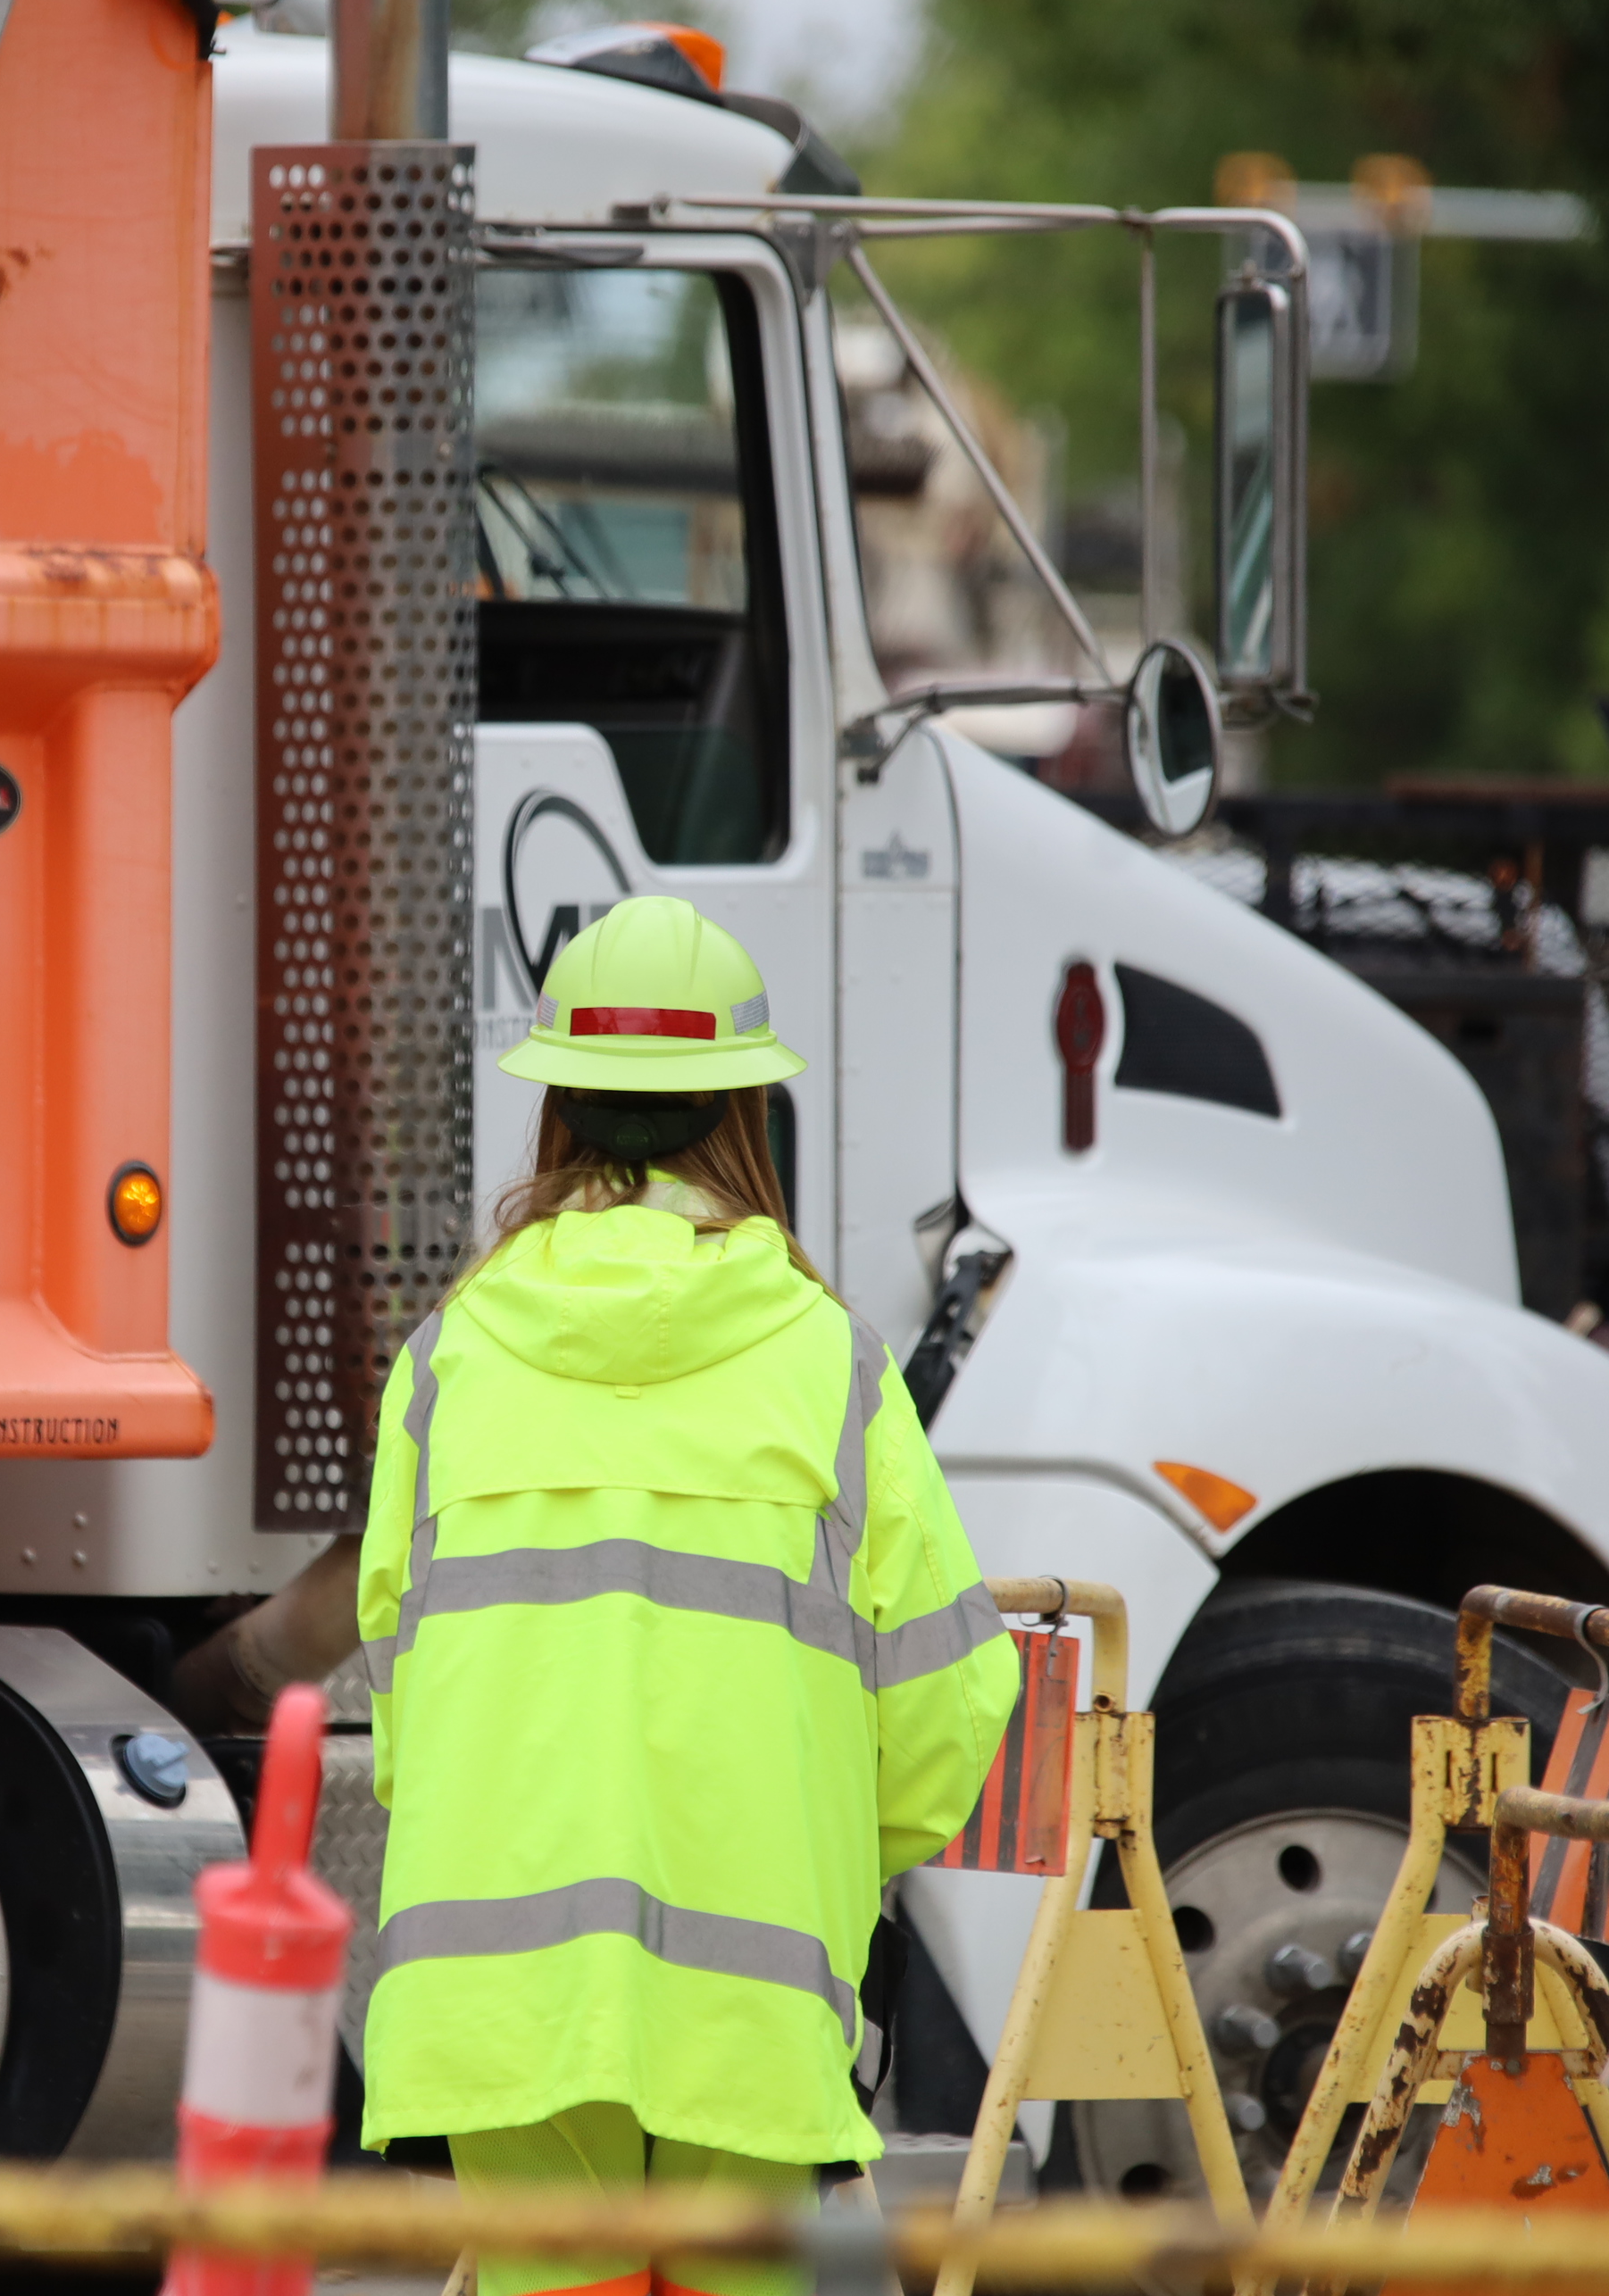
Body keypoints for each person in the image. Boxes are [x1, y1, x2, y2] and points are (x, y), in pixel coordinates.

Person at [356, 894, 1021, 2296]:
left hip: (496, 1997)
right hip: (749, 1994)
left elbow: (405, 1697)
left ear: (557, 1111)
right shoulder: (829, 1366)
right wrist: (828, 1851)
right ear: (744, 1110)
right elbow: (952, 1702)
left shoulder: (447, 1363)